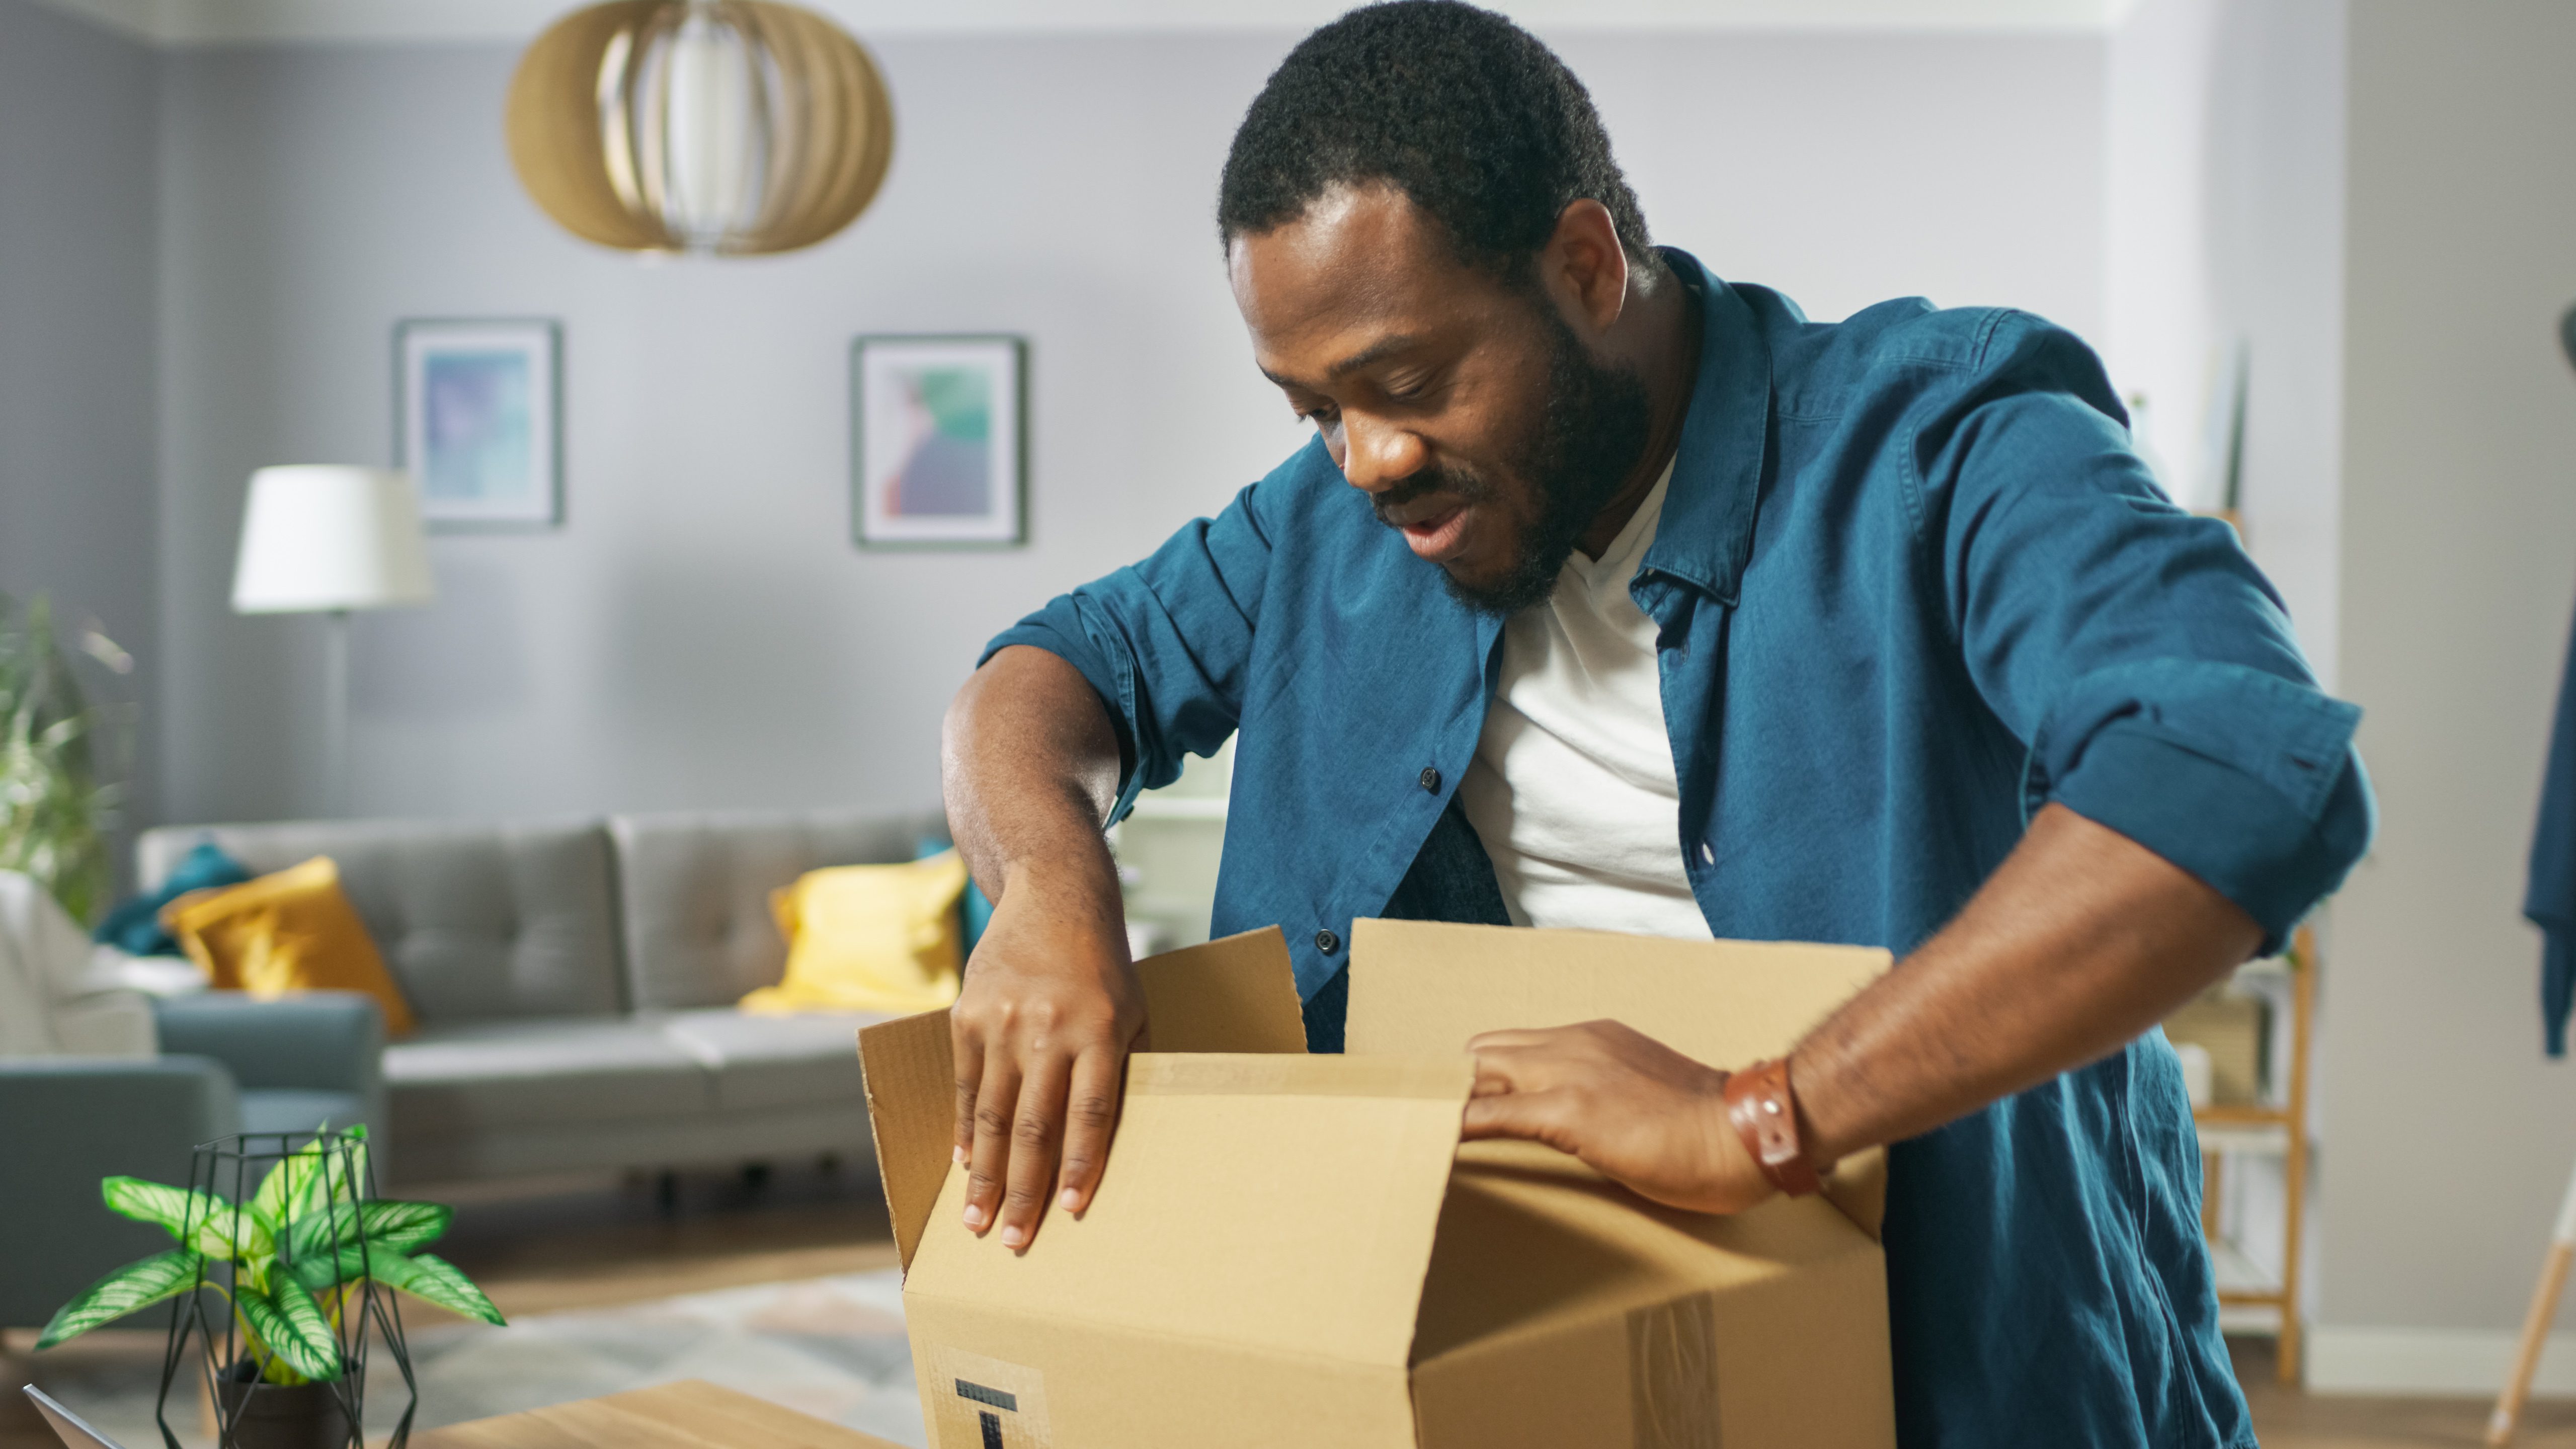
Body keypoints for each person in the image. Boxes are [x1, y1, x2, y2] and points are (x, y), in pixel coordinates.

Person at [936, 3, 2372, 1444]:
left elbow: (2238, 771)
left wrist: (1766, 1111)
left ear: (1584, 267)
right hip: (1497, 1333)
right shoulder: (1338, 519)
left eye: (1407, 384)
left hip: (1950, 1344)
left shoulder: (1946, 441)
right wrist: (1052, 895)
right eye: (1313, 406)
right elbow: (1049, 674)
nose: (1366, 459)